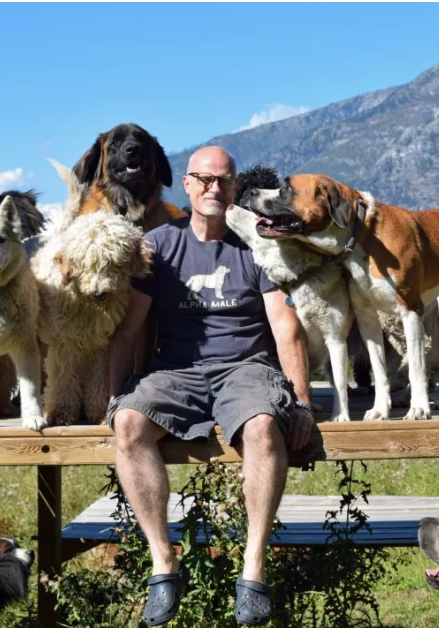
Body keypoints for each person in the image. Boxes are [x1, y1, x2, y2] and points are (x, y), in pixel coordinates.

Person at [106, 146, 314, 626]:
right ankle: (164, 565)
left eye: (223, 181)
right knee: (130, 424)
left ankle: (253, 569)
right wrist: (115, 396)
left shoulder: (257, 245)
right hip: (175, 371)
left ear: (235, 186)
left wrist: (301, 402)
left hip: (246, 368)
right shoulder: (157, 246)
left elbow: (286, 329)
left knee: (264, 427)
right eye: (204, 179)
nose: (213, 189)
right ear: (187, 184)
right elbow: (129, 328)